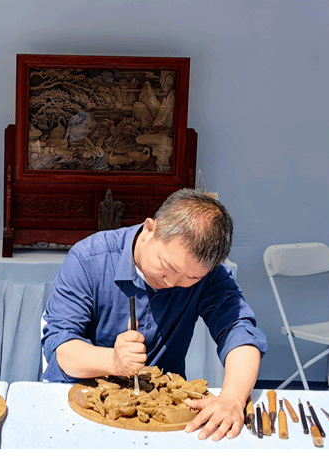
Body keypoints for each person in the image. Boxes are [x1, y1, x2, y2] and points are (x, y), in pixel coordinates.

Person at [42, 188, 268, 441]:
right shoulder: (89, 259)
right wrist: (113, 361)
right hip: (80, 402)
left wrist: (233, 397)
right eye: (166, 265)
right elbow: (61, 348)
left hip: (159, 411)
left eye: (190, 278)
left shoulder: (209, 275)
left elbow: (239, 332)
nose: (171, 282)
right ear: (150, 229)